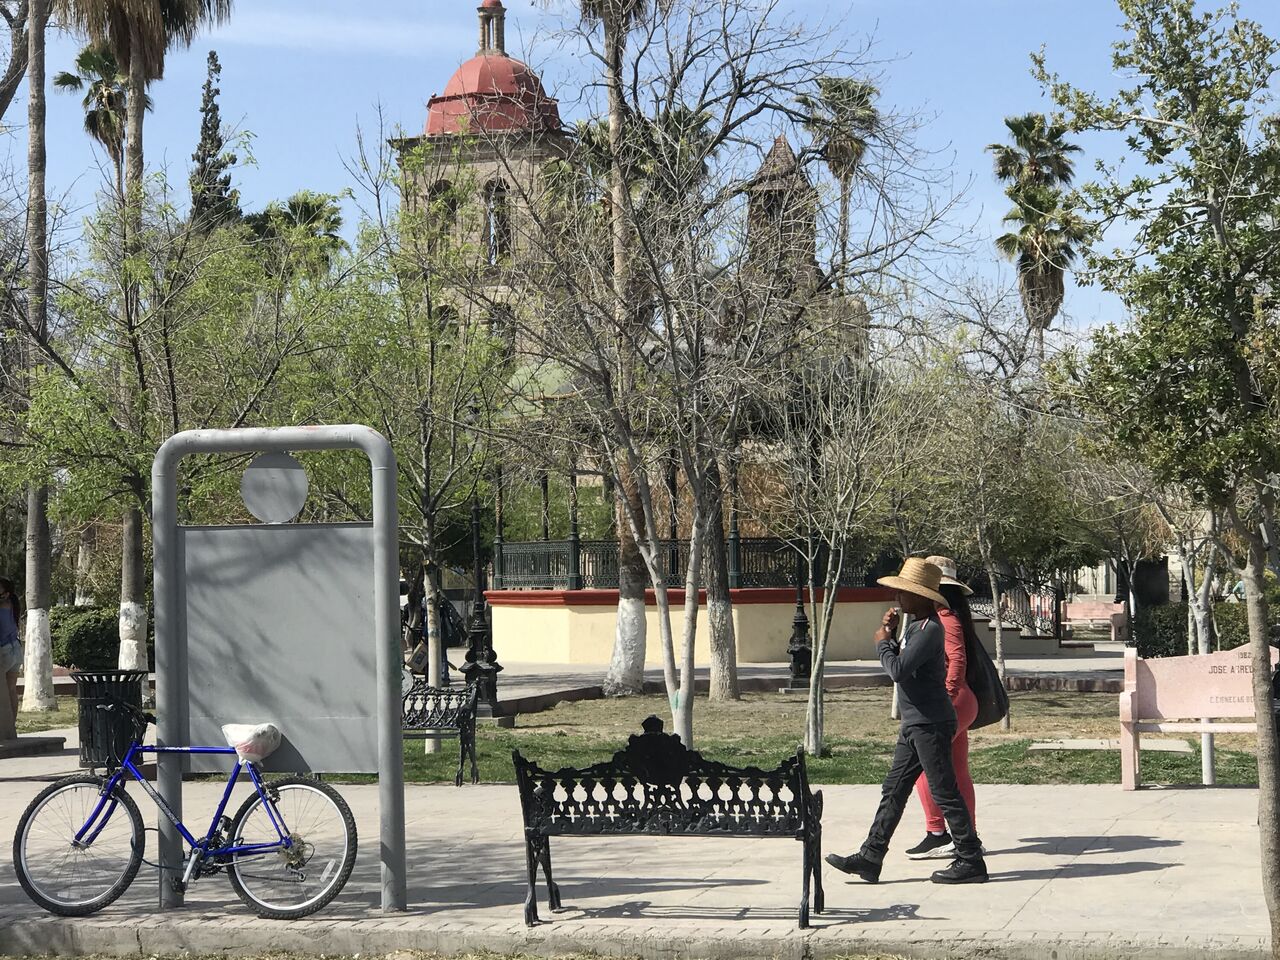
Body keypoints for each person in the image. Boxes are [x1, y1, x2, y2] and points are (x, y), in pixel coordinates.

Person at [826, 558, 988, 884]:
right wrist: (893, 634)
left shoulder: (931, 630)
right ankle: (871, 856)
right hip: (915, 724)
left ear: (926, 598)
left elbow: (898, 671)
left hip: (930, 723)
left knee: (944, 792)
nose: (899, 597)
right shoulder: (915, 627)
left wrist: (882, 642)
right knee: (894, 790)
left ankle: (971, 860)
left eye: (906, 593)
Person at [904, 556, 979, 860]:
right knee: (957, 769)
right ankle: (968, 835)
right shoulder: (947, 618)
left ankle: (937, 832)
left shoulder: (944, 619)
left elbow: (957, 661)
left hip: (953, 700)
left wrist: (945, 699)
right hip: (961, 700)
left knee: (925, 766)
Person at [0, 577, 22, 722]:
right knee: (11, 690)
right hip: (16, 648)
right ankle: (11, 726)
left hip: (5, 650)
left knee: (4, 692)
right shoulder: (13, 605)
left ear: (6, 594)